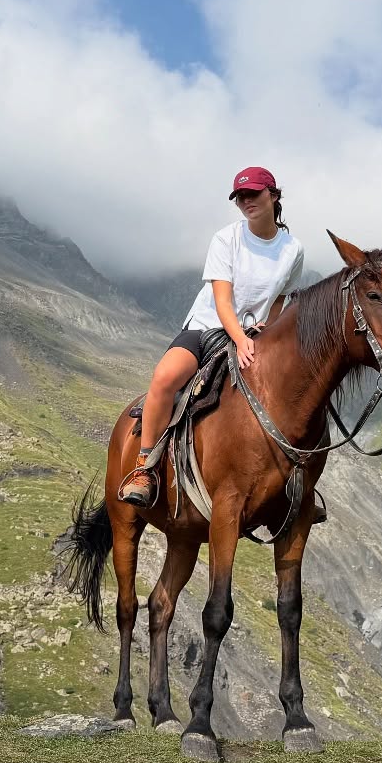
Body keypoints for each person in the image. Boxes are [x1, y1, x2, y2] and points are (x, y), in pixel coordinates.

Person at [118, 166, 305, 508]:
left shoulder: (293, 249)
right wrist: (240, 339)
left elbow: (280, 298)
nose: (246, 201)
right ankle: (145, 467)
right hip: (207, 328)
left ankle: (296, 482)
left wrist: (268, 330)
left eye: (253, 194)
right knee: (164, 378)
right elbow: (222, 300)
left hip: (256, 335)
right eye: (240, 197)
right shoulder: (226, 238)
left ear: (273, 195)